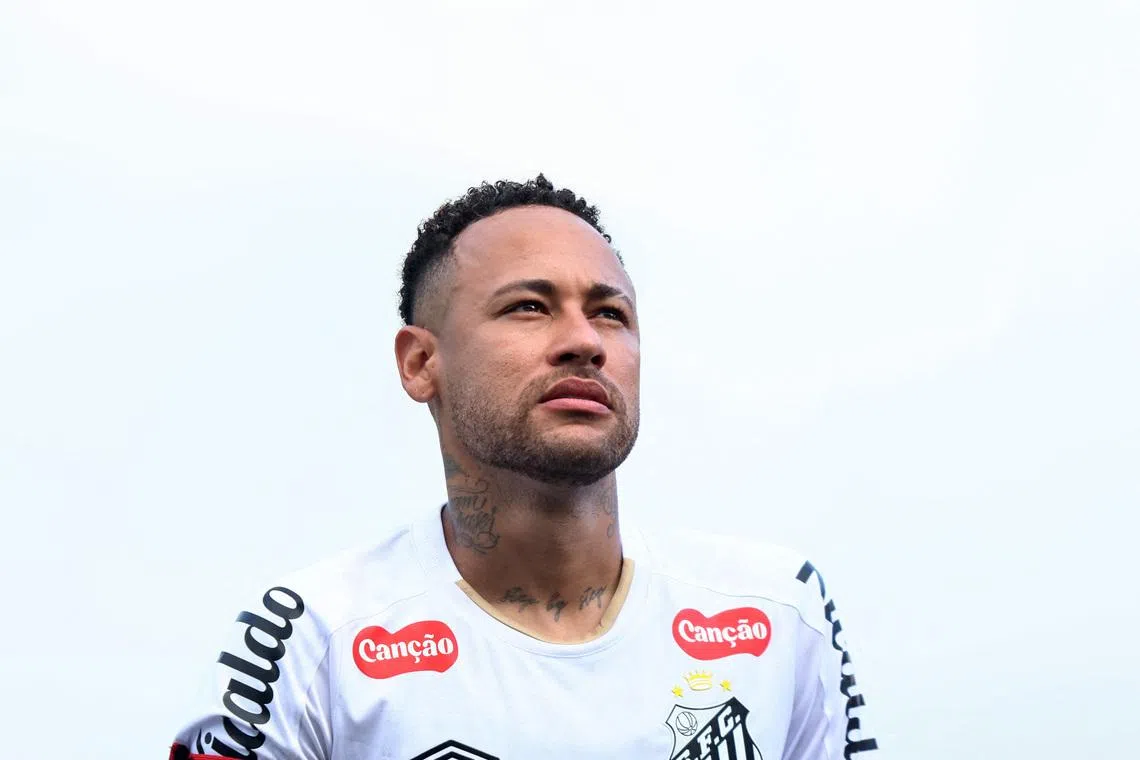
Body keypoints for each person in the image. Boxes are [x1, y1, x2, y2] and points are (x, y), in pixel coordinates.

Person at [169, 175, 879, 760]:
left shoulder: (779, 613)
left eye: (610, 314)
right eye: (530, 307)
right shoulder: (311, 641)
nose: (584, 341)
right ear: (420, 362)